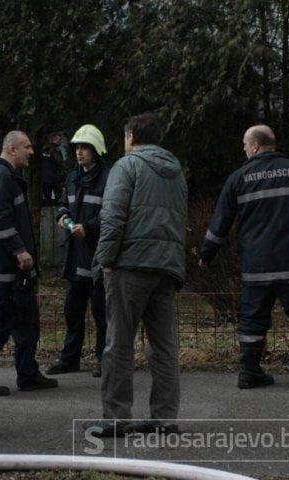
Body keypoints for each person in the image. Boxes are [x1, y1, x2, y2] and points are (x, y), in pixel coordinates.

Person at [198, 124, 289, 393]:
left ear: (254, 146)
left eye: (244, 144)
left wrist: (206, 254)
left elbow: (220, 222)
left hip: (257, 267)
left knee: (253, 321)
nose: (244, 149)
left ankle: (249, 373)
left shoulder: (239, 178)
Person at [91, 113, 187, 436]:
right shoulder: (176, 173)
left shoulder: (126, 166)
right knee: (163, 346)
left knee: (118, 343)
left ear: (131, 135)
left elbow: (113, 216)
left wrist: (104, 260)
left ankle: (116, 418)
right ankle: (165, 418)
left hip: (129, 266)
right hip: (166, 267)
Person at [0, 130, 59, 396]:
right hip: (6, 268)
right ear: (12, 150)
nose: (32, 152)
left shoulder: (1, 175)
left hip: (10, 269)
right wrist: (20, 251)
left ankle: (28, 373)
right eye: (27, 147)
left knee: (27, 321)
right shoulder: (1, 177)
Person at [46, 124, 110, 378]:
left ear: (96, 150)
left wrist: (90, 227)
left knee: (101, 311)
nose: (80, 152)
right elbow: (63, 204)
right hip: (74, 255)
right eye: (77, 148)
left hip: (97, 254)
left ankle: (104, 359)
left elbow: (112, 213)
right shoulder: (73, 177)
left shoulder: (108, 177)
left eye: (85, 147)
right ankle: (70, 359)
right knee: (72, 310)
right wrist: (63, 217)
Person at [41, 131, 64, 206]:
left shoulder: (45, 149)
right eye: (59, 139)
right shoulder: (54, 150)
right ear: (54, 140)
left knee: (47, 198)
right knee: (58, 197)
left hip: (45, 178)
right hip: (53, 178)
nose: (61, 141)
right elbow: (59, 162)